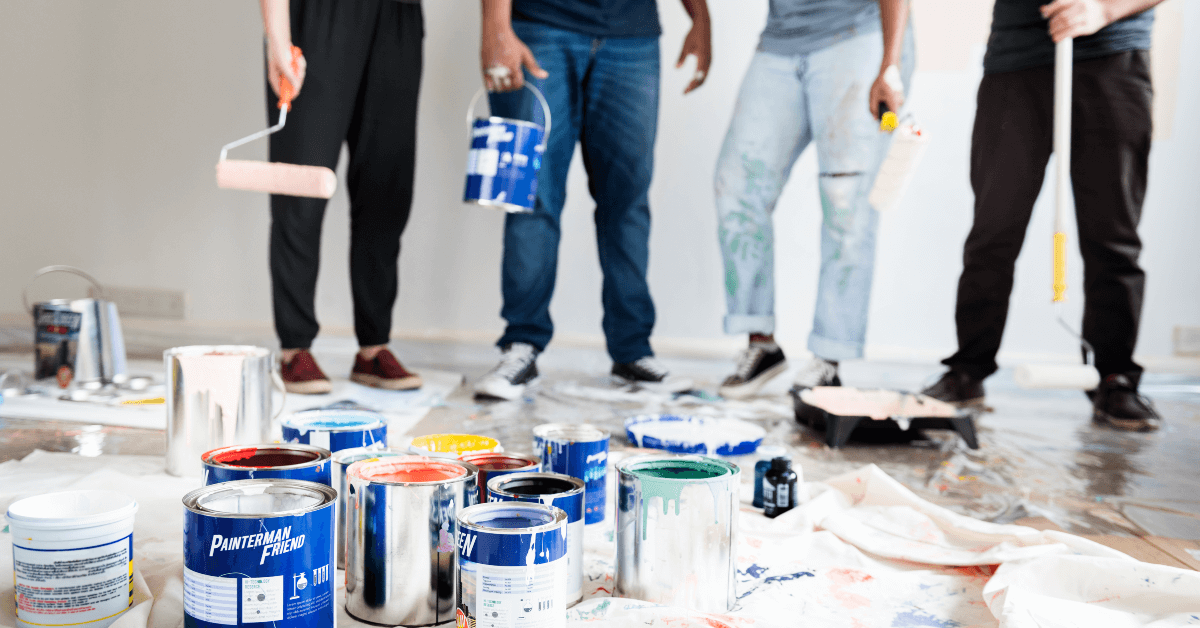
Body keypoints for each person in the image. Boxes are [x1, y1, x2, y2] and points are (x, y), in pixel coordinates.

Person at [922, 0, 1164, 431]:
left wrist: (1106, 9)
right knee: (993, 231)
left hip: (1112, 57)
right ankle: (967, 370)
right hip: (1015, 63)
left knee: (1113, 236)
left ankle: (1116, 377)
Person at [472, 0, 712, 400]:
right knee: (531, 196)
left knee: (628, 201)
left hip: (632, 37)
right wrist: (495, 25)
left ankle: (633, 350)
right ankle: (521, 344)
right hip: (540, 26)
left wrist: (700, 16)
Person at [712, 0, 915, 400]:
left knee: (847, 198)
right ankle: (761, 342)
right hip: (781, 40)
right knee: (737, 185)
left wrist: (890, 64)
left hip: (859, 36)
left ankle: (830, 357)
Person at [260, 0, 424, 394]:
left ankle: (373, 348)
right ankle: (294, 349)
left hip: (398, 17)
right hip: (319, 15)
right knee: (302, 185)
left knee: (386, 188)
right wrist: (277, 36)